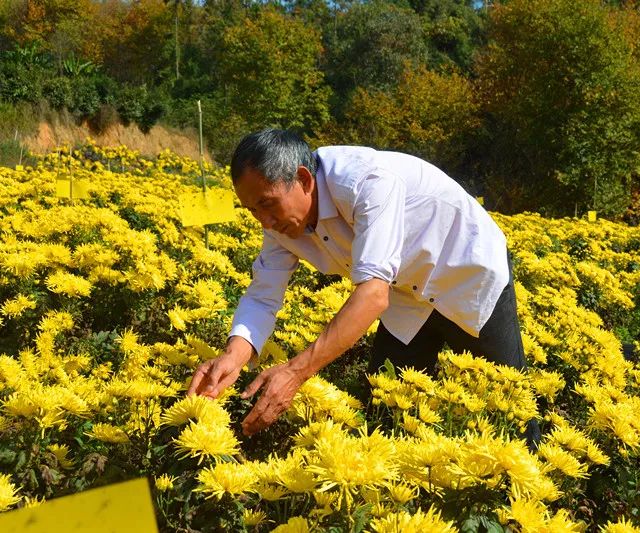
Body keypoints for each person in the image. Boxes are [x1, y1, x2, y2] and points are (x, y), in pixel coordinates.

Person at [187, 129, 540, 445]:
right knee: (387, 411)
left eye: (267, 203)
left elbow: (372, 294)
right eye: (251, 209)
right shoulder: (279, 225)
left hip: (466, 275)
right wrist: (233, 356)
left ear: (304, 180)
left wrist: (295, 372)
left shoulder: (365, 181)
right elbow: (263, 295)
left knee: (512, 405)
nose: (263, 221)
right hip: (406, 295)